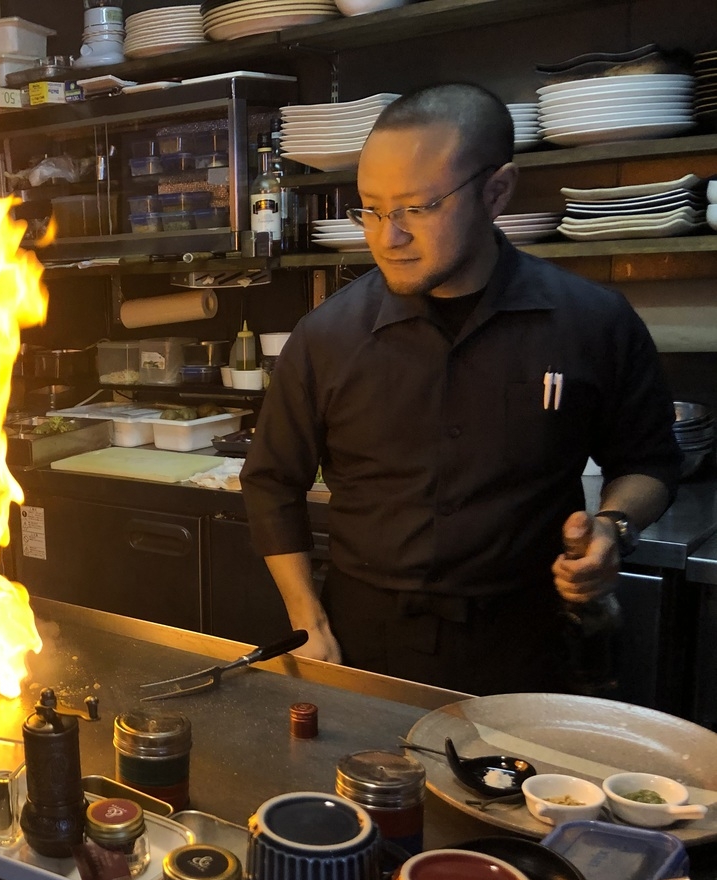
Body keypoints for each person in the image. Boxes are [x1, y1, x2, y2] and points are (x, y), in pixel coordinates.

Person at [240, 82, 681, 696]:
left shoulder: (593, 322)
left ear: (496, 192)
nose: (386, 236)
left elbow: (650, 463)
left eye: (417, 209)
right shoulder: (326, 336)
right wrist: (307, 621)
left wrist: (612, 526)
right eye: (370, 208)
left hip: (528, 641)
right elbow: (270, 482)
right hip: (363, 637)